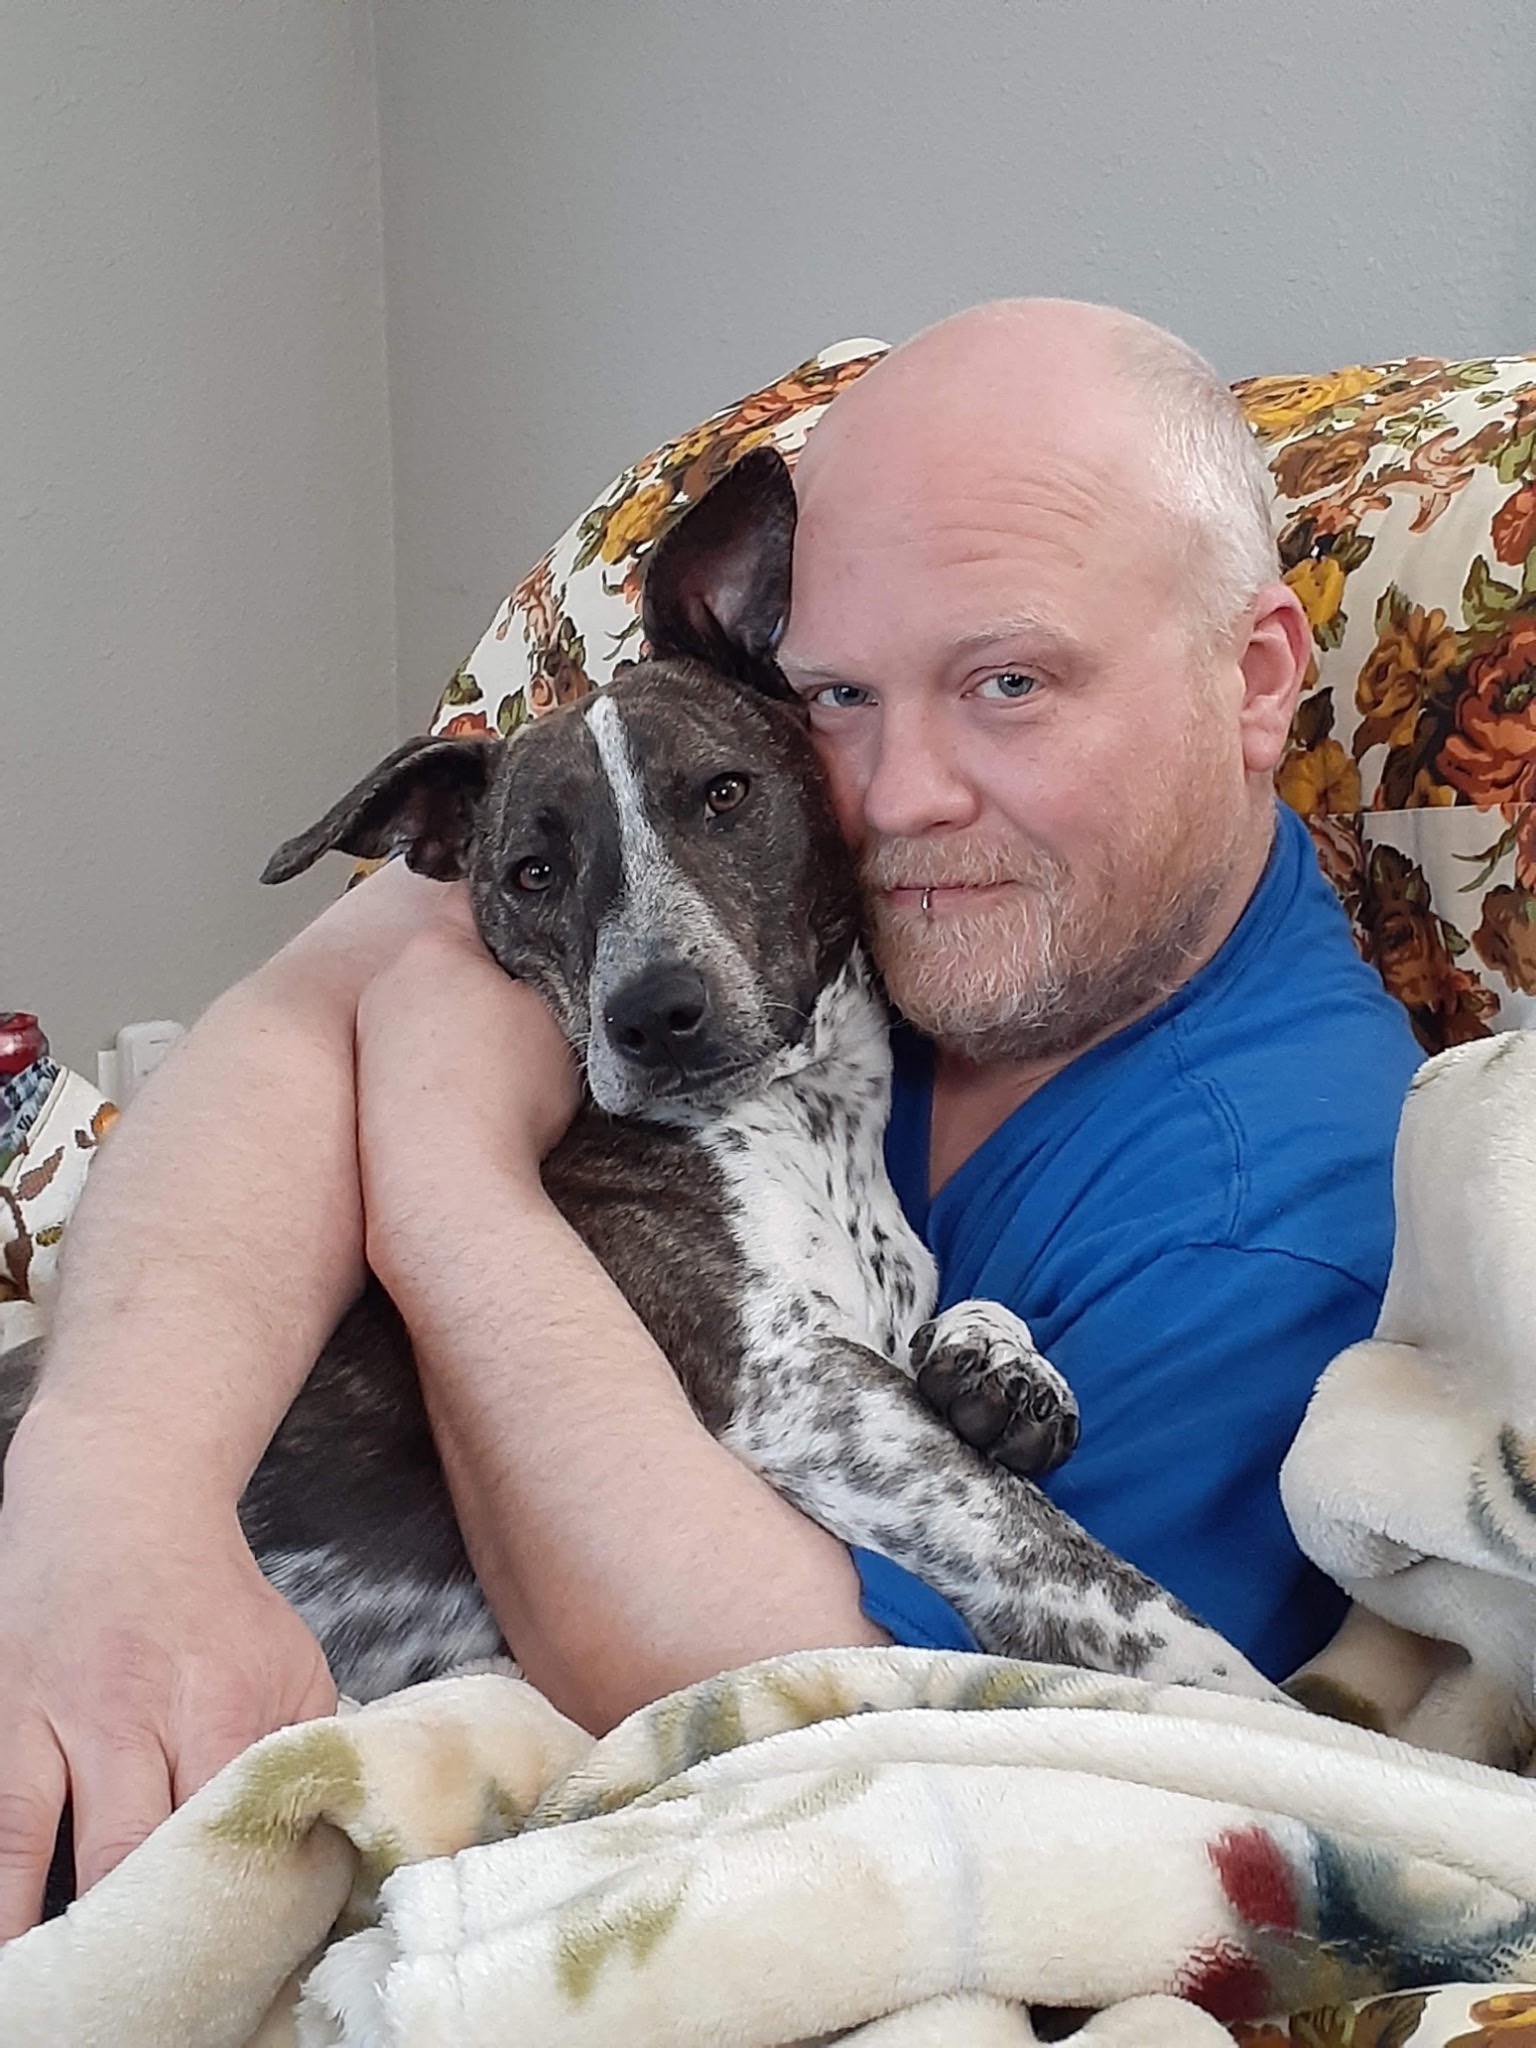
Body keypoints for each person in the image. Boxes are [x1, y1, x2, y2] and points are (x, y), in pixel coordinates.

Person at [0, 299, 1424, 1941]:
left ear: (1255, 681)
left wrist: (444, 1177)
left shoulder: (1265, 1217)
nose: (898, 795)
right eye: (840, 692)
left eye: (1011, 682)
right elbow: (307, 1012)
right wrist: (112, 1497)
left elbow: (755, 1695)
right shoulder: (746, 805)